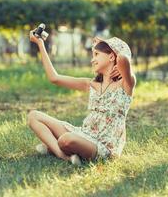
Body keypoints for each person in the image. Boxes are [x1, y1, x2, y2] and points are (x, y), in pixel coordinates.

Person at [28, 30, 136, 165]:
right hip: (83, 134)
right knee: (33, 116)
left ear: (111, 57)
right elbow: (54, 78)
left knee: (65, 140)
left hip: (104, 147)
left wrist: (104, 42)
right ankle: (64, 155)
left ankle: (54, 147)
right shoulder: (91, 84)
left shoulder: (126, 84)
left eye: (96, 54)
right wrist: (40, 43)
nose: (92, 59)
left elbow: (124, 60)